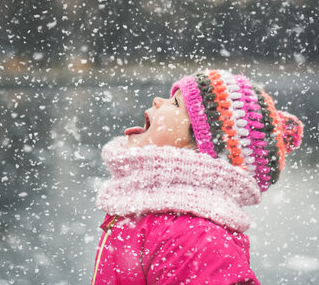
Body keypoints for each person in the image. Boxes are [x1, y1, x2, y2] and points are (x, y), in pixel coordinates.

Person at [90, 69, 304, 284]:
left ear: (202, 150)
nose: (156, 100)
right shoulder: (144, 212)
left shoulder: (196, 239)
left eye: (175, 104)